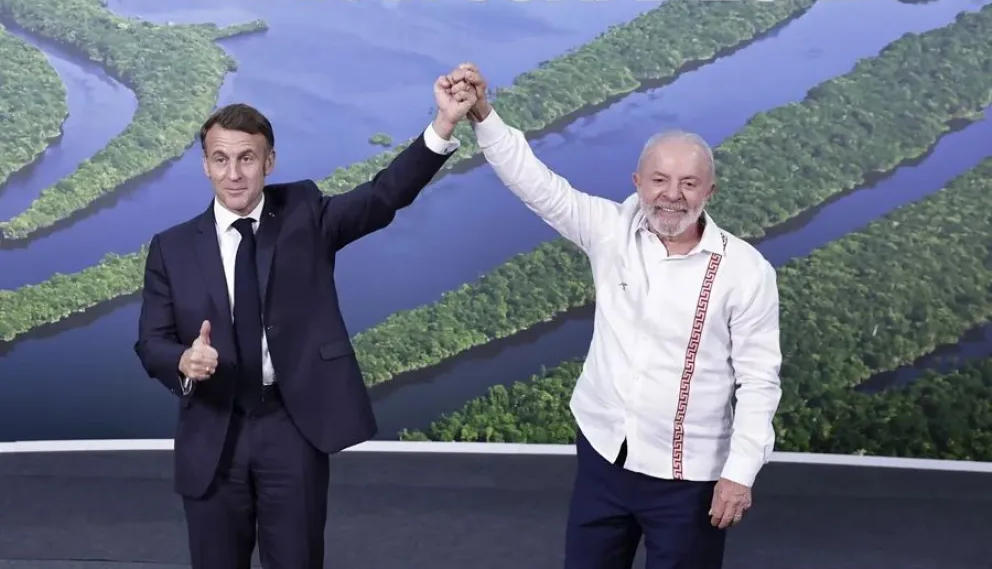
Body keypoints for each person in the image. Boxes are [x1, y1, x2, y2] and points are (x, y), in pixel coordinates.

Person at [133, 70, 477, 569]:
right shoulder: (173, 247)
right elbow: (151, 341)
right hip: (212, 428)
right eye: (221, 159)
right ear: (205, 165)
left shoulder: (304, 214)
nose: (234, 174)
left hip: (290, 427)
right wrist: (184, 360)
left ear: (269, 162)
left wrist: (444, 125)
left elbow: (382, 196)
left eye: (247, 158)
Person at [448, 64, 782, 569]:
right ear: (638, 182)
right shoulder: (611, 230)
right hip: (604, 458)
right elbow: (538, 185)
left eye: (689, 183)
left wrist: (739, 473)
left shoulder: (746, 271)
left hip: (689, 477)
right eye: (660, 180)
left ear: (709, 192)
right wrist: (482, 115)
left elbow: (759, 382)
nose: (673, 195)